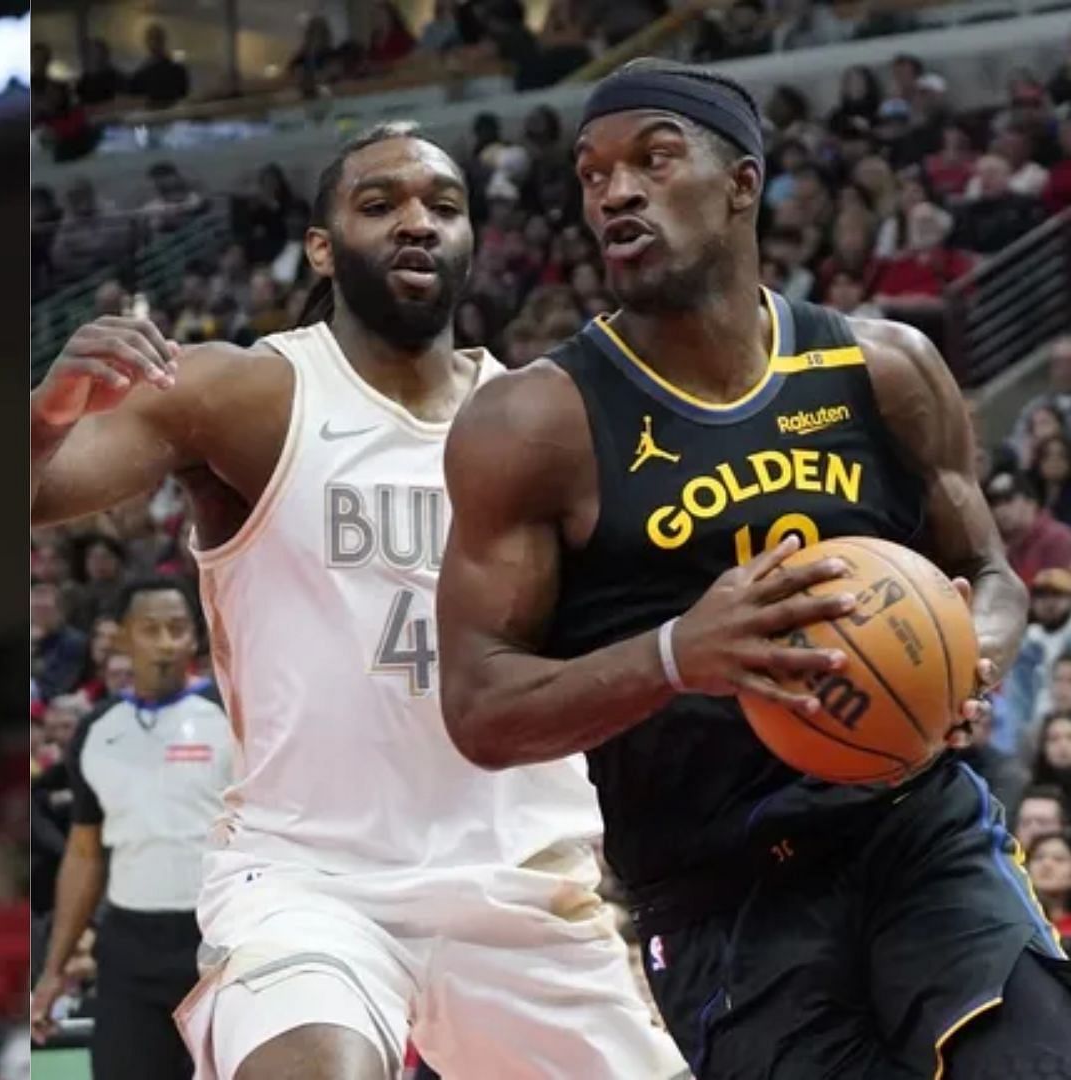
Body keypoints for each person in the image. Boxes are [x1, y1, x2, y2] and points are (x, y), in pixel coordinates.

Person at [437, 59, 1069, 1079]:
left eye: (652, 158)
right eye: (594, 176)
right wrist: (679, 653)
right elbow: (476, 708)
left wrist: (969, 659)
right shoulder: (534, 423)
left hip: (916, 830)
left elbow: (987, 575)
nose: (616, 192)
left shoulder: (883, 368)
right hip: (721, 892)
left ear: (743, 184)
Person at [30, 121, 683, 1080]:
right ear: (322, 247)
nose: (417, 222)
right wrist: (45, 417)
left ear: (472, 239)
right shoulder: (248, 392)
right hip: (312, 884)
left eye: (443, 207)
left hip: (523, 890)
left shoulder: (555, 419)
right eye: (381, 205)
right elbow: (35, 492)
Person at [30, 578, 231, 1079]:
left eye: (178, 629)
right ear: (120, 638)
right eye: (151, 629)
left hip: (220, 941)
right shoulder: (97, 732)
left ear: (195, 639)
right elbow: (83, 854)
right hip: (128, 947)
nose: (166, 642)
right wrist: (53, 971)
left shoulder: (232, 717)